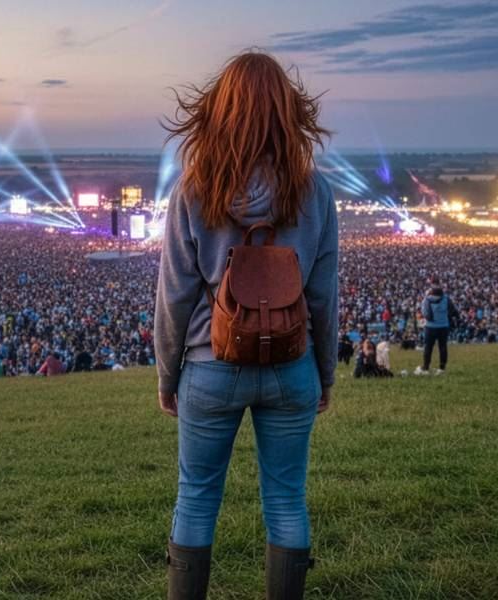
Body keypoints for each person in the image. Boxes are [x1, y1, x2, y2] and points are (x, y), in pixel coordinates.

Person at [154, 52, 335, 599]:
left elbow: (175, 294)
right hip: (291, 365)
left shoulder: (194, 188)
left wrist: (168, 376)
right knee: (286, 500)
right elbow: (323, 296)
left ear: (220, 111)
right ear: (288, 114)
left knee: (197, 498)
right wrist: (324, 375)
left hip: (210, 366)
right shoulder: (316, 190)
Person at [416, 286, 457, 375]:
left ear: (432, 293)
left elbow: (425, 314)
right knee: (443, 347)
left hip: (430, 327)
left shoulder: (426, 300)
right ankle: (442, 369)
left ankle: (425, 368)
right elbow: (453, 311)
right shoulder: (446, 299)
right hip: (443, 326)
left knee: (428, 347)